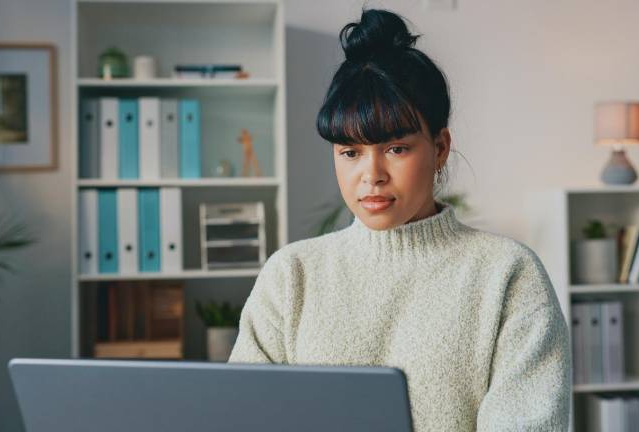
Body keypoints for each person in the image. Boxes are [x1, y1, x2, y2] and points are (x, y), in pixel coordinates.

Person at [228, 8, 571, 432]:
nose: (371, 175)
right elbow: (245, 417)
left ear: (440, 147)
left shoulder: (507, 275)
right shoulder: (291, 275)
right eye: (350, 152)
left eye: (396, 148)